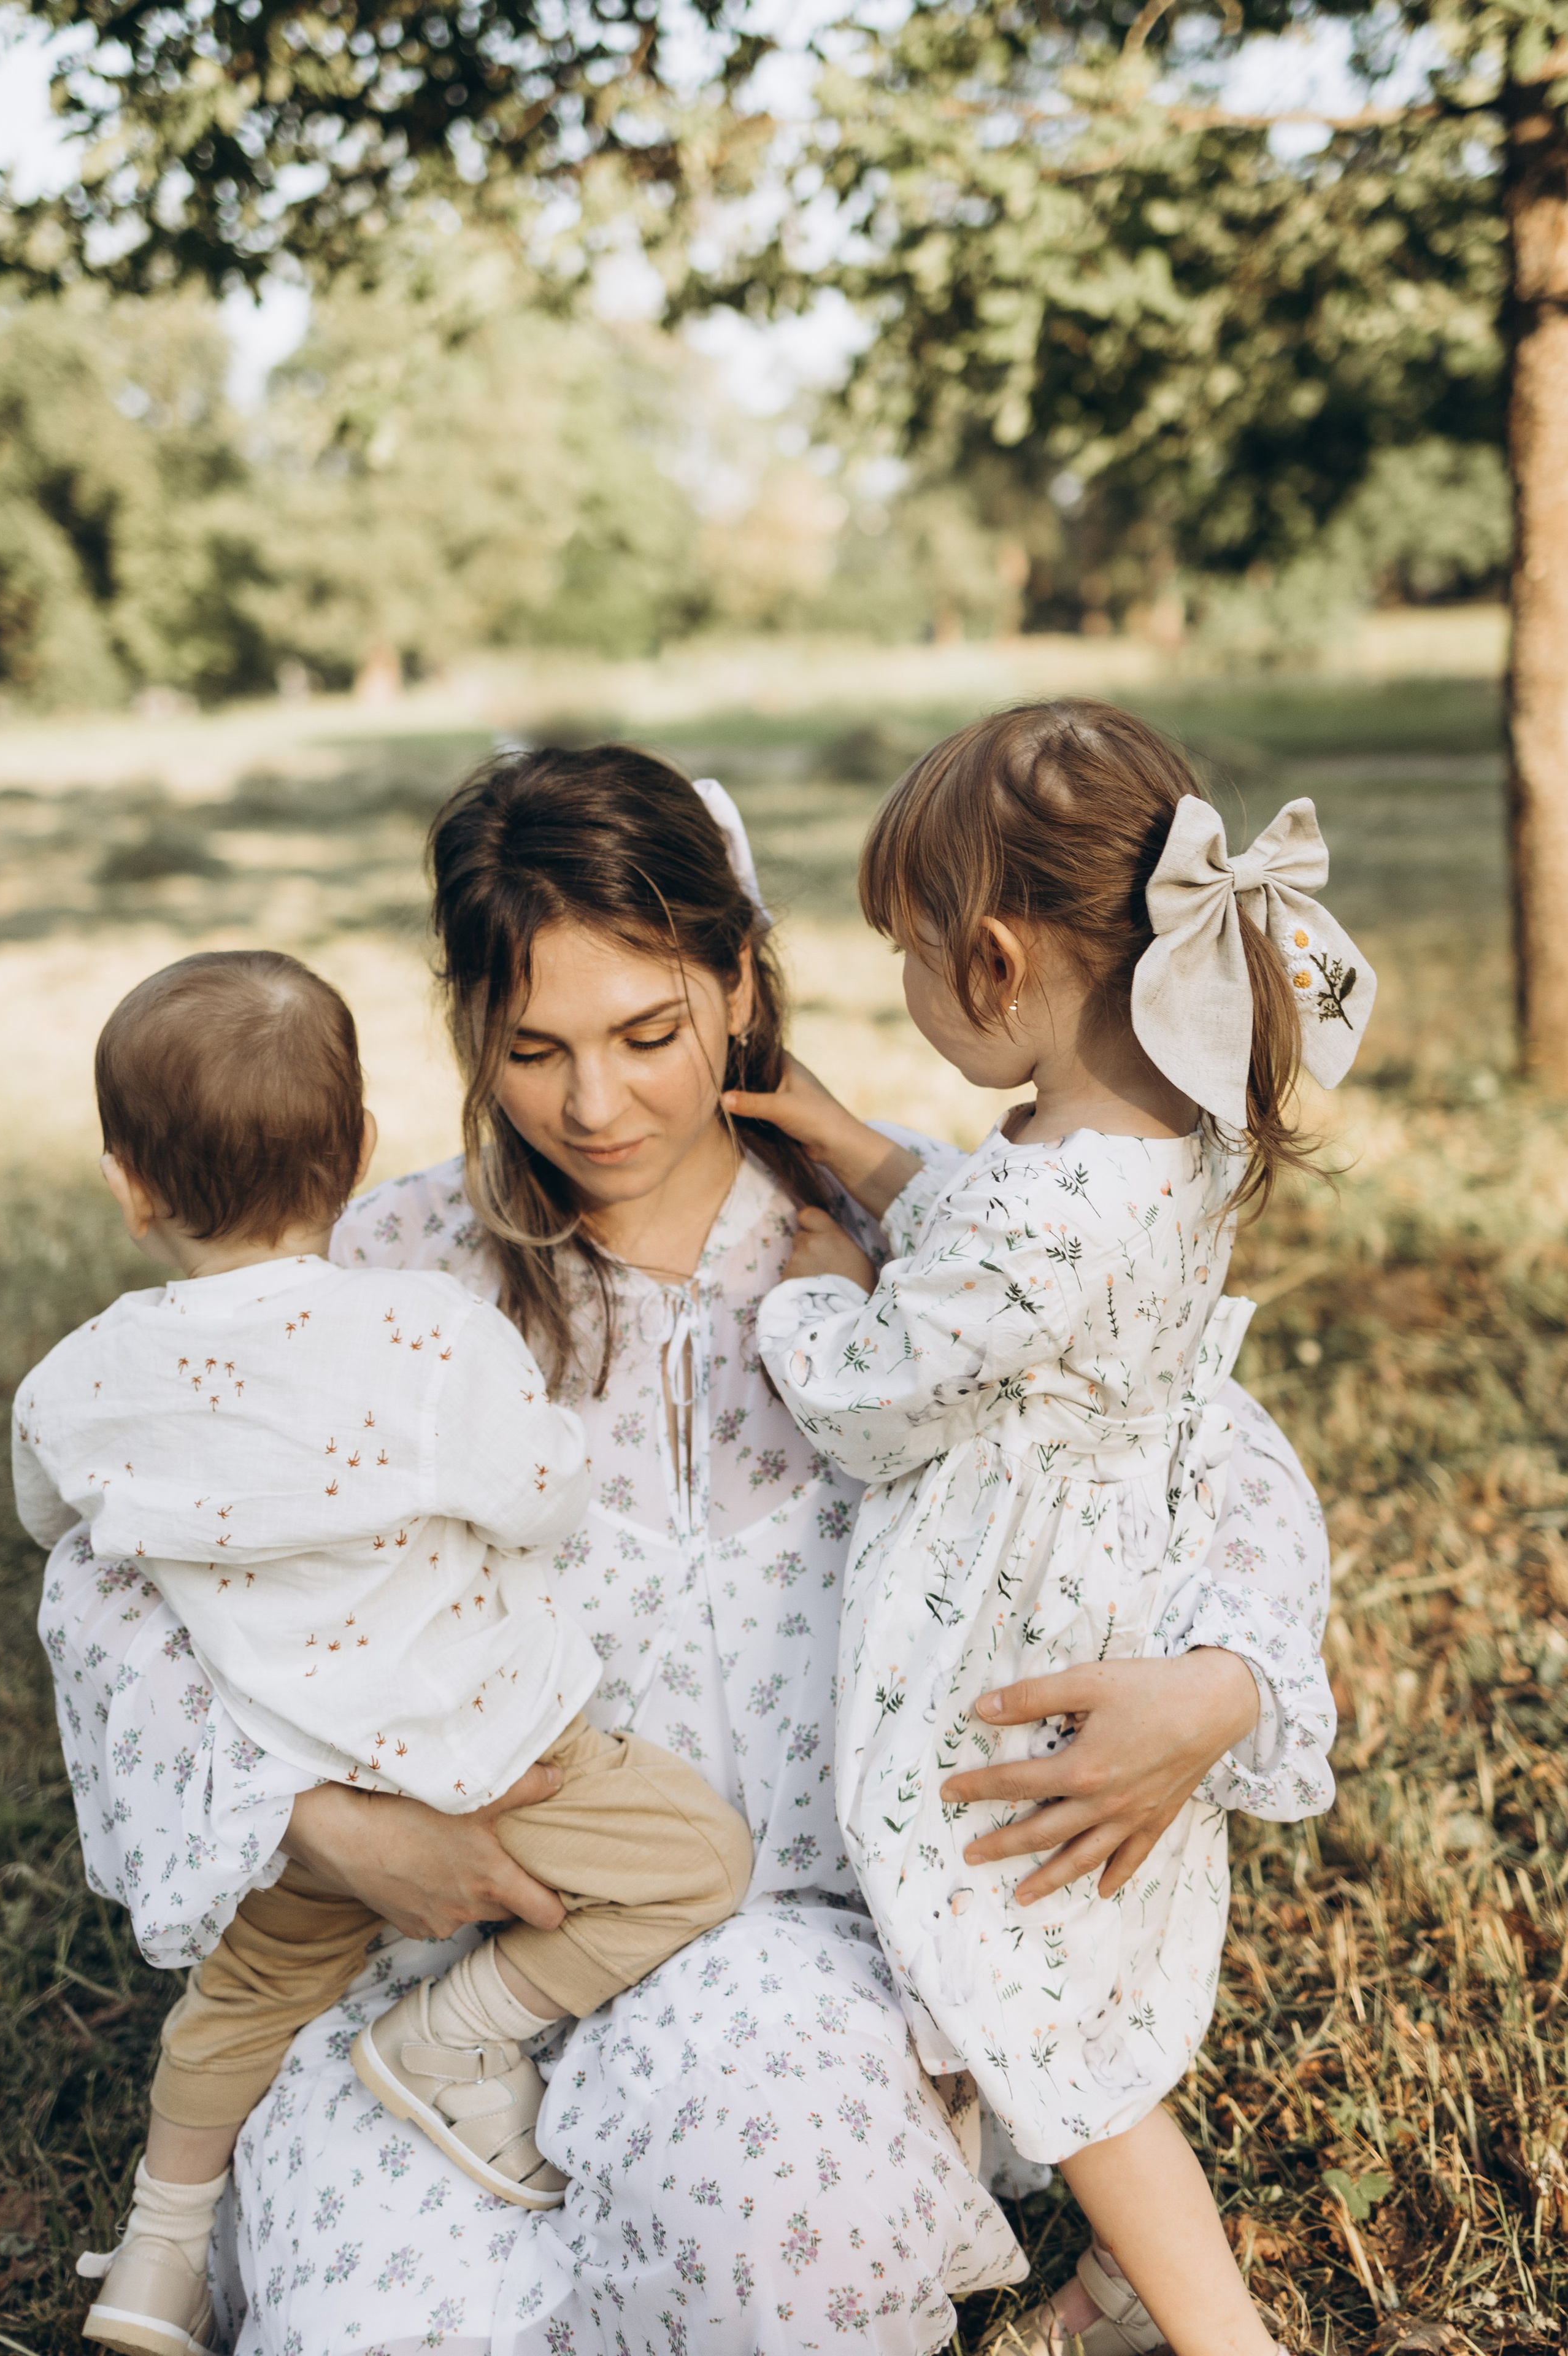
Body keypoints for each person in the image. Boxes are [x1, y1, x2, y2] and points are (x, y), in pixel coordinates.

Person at [37, 745, 1337, 2356]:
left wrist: (1220, 1681)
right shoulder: (377, 1280)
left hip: (805, 1954)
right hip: (453, 1974)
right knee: (395, 2322)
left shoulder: (910, 1237)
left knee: (759, 2244)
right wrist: (321, 1827)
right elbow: (119, 1581)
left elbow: (1199, 1445)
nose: (595, 1106)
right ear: (467, 1033)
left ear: (738, 982)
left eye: (649, 1035)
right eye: (533, 1050)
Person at [742, 702, 1371, 2356]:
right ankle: (1104, 2280)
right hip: (1116, 1594)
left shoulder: (1045, 1212)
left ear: (998, 963)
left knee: (1034, 2010)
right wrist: (864, 1151)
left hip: (1009, 1651)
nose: (903, 983)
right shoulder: (1156, 1141)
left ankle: (1215, 2332)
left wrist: (814, 1297)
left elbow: (879, 1398)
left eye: (907, 951)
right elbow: (995, 1224)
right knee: (1078, 1971)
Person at [15, 949, 750, 2356]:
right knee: (696, 1861)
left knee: (235, 2005)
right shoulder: (424, 1335)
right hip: (506, 1753)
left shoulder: (85, 1378)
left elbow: (55, 1516)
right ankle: (455, 2034)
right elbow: (544, 1495)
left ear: (127, 1185)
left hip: (310, 1791)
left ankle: (158, 2263)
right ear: (355, 1153)